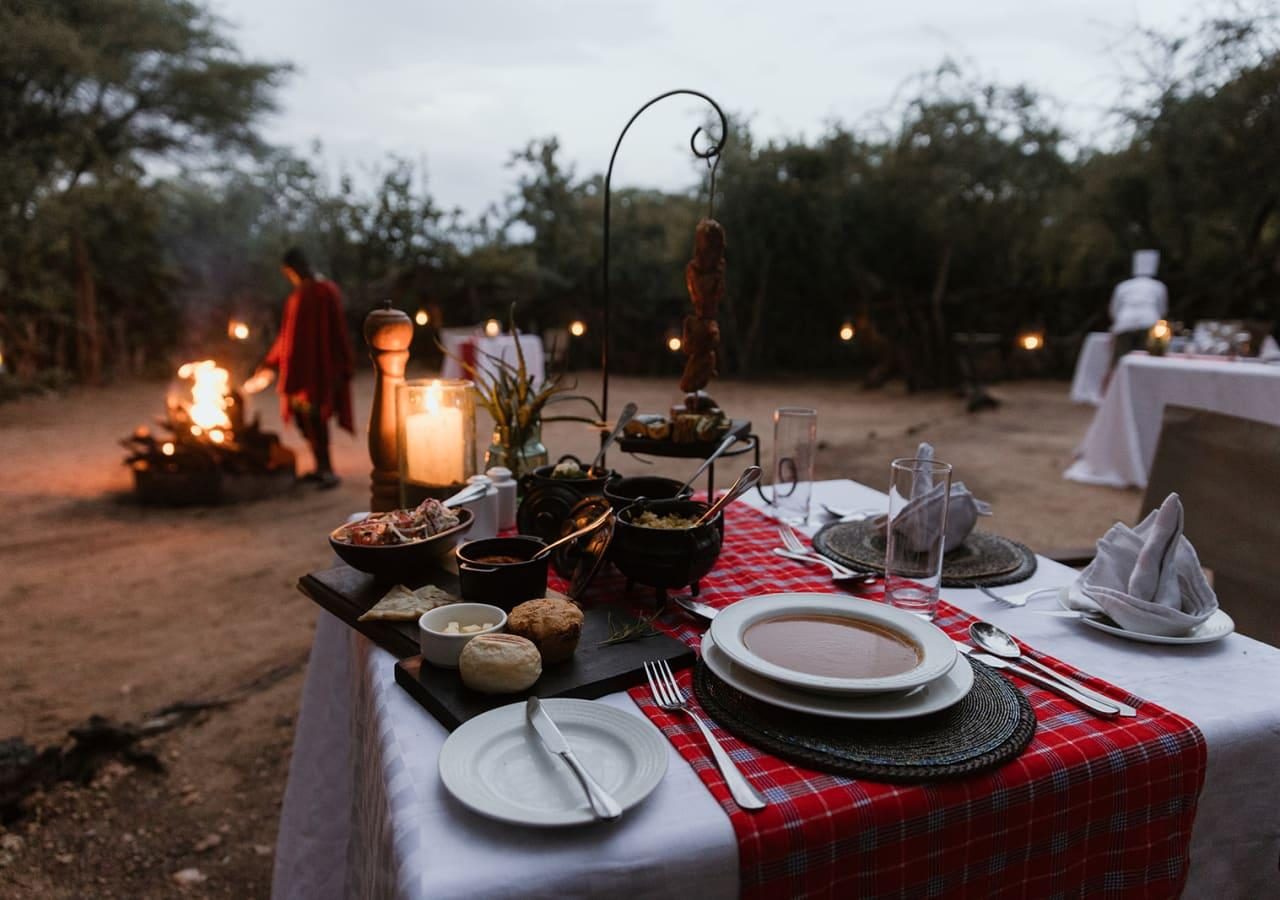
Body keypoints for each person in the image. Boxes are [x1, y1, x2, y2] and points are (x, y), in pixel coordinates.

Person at [244, 247, 354, 489]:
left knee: (317, 418)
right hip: (299, 371)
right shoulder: (297, 296)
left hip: (319, 368)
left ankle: (328, 470)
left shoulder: (324, 291)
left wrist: (340, 365)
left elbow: (336, 331)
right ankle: (319, 467)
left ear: (295, 268)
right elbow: (287, 336)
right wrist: (270, 362)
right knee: (304, 420)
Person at [1109, 249, 1168, 365]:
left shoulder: (1123, 286)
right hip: (1149, 323)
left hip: (1124, 324)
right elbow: (1162, 310)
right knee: (1145, 361)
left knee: (1121, 362)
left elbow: (1114, 309)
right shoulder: (1159, 286)